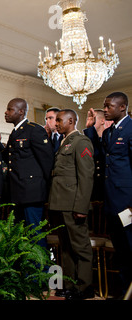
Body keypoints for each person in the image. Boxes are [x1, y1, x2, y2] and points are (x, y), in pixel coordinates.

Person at [0, 98, 54, 248]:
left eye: (10, 109)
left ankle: (42, 270)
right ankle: (27, 270)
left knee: (35, 235)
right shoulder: (15, 132)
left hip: (32, 194)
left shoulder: (34, 129)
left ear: (21, 111)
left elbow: (47, 161)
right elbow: (10, 159)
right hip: (18, 193)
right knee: (22, 235)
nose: (6, 113)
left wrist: (43, 189)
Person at [48, 109, 95, 300]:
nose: (56, 123)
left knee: (80, 247)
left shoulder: (81, 141)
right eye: (56, 120)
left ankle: (85, 287)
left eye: (59, 120)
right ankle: (69, 285)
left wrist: (81, 207)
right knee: (65, 247)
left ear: (71, 121)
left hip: (73, 204)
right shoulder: (63, 142)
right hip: (59, 203)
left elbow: (86, 177)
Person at [99, 92, 132, 295]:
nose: (105, 109)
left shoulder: (131, 128)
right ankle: (123, 291)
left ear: (122, 107)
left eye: (109, 106)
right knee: (120, 251)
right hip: (112, 201)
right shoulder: (110, 132)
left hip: (127, 202)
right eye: (105, 106)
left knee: (130, 247)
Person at [83, 108, 113, 201]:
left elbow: (100, 153)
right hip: (92, 188)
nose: (90, 121)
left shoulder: (110, 138)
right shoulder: (86, 139)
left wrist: (90, 130)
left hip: (108, 187)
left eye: (93, 118)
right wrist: (90, 128)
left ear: (102, 121)